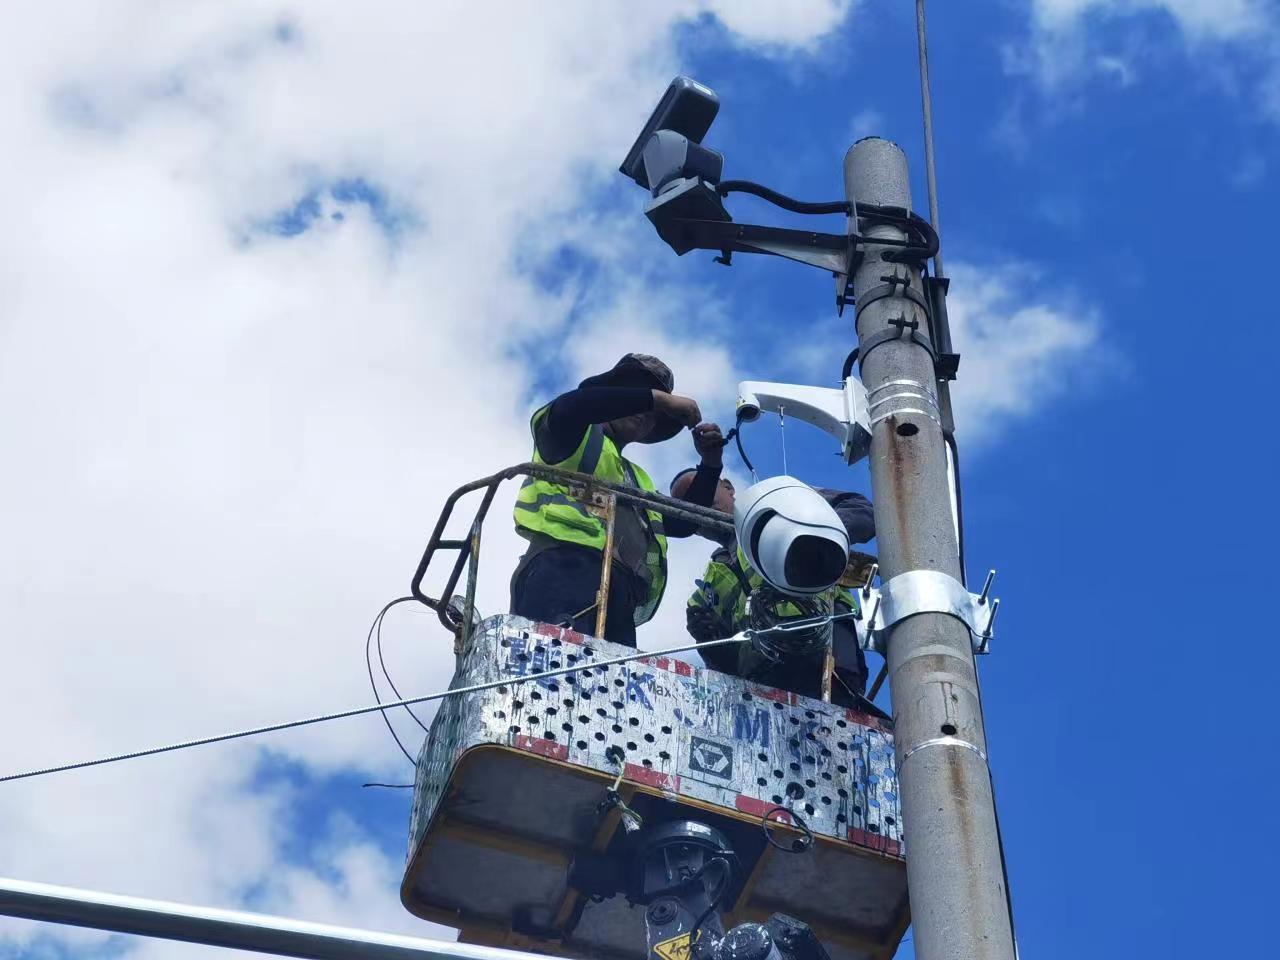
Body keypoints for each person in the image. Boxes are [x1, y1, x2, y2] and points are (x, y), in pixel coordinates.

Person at [510, 354, 726, 647]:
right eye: (637, 399)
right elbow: (572, 407)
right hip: (562, 570)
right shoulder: (571, 436)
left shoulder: (637, 479)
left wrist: (710, 464)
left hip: (621, 593)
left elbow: (682, 522)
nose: (644, 413)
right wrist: (658, 401)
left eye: (653, 414)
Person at [672, 470, 875, 707]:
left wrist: (811, 538)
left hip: (827, 665)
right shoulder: (708, 588)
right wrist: (709, 642)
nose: (697, 500)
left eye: (703, 487)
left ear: (728, 487)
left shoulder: (781, 504)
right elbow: (725, 668)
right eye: (687, 502)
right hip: (763, 689)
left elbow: (862, 510)